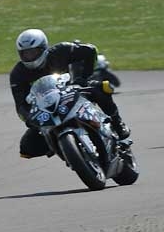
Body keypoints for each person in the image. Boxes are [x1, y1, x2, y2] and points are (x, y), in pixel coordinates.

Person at [10, 29, 130, 160]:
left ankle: (117, 122)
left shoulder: (60, 51)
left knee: (100, 87)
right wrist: (30, 119)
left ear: (43, 48)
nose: (29, 57)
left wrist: (83, 78)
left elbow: (91, 51)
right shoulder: (18, 74)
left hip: (71, 92)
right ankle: (61, 148)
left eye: (33, 52)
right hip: (46, 109)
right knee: (26, 148)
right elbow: (20, 105)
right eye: (25, 54)